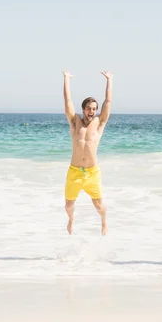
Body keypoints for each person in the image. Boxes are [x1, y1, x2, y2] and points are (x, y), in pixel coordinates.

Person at [62, 70, 113, 236]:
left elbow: (108, 101)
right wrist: (66, 79)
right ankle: (71, 219)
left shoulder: (99, 123)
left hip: (92, 173)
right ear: (83, 109)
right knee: (68, 206)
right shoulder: (74, 122)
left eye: (94, 109)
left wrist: (109, 80)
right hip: (74, 172)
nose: (92, 111)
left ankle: (104, 222)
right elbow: (67, 101)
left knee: (99, 206)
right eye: (89, 109)